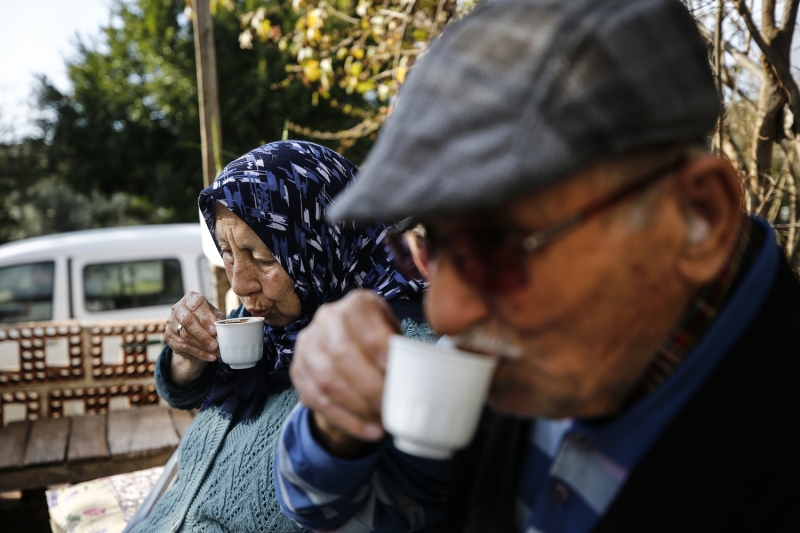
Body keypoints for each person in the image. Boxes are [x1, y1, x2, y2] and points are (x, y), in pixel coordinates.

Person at [273, 0, 800, 532]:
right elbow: (333, 511)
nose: (445, 314)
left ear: (698, 217)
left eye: (496, 246)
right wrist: (336, 423)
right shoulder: (515, 365)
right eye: (429, 245)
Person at [131, 140, 430, 533]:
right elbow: (181, 394)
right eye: (227, 252)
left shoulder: (400, 347)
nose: (239, 284)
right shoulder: (270, 321)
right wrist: (186, 357)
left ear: (323, 243)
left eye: (262, 257)